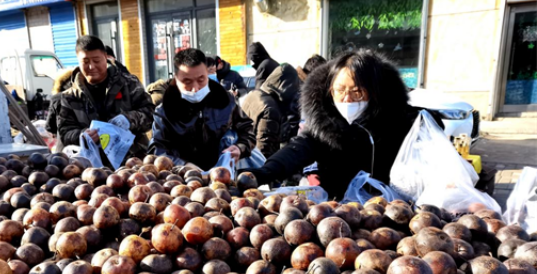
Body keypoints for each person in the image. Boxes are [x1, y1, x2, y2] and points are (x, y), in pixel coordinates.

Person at [242, 49, 435, 200]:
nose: (347, 99)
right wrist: (264, 172)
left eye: (357, 92)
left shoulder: (401, 122)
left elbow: (436, 163)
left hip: (390, 214)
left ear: (375, 92)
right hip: (337, 213)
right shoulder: (325, 122)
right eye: (339, 90)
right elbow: (297, 149)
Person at [149, 48, 256, 171]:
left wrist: (240, 147)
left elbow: (248, 128)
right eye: (187, 81)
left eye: (201, 80)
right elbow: (157, 150)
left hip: (225, 175)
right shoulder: (164, 112)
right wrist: (183, 166)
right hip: (184, 182)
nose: (195, 88)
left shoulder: (225, 100)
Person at [56, 35, 154, 157]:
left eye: (96, 61)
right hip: (91, 165)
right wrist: (83, 135)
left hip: (133, 159)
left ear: (105, 57)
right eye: (85, 62)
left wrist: (129, 119)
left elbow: (150, 113)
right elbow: (64, 132)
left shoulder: (129, 84)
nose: (92, 67)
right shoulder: (69, 97)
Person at [241, 63, 300, 157]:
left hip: (244, 153)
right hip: (256, 161)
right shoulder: (271, 110)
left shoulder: (253, 94)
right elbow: (264, 150)